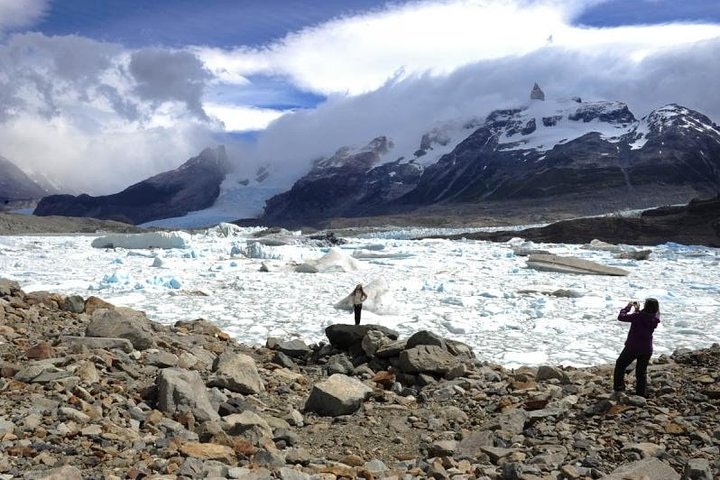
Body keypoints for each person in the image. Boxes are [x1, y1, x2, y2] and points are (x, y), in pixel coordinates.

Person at [612, 298, 661, 398]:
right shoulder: (655, 317)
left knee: (620, 365)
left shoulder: (637, 316)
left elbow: (621, 317)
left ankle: (619, 388)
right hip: (647, 348)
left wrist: (628, 307)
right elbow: (644, 317)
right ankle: (641, 394)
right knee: (641, 371)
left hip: (633, 347)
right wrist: (637, 310)